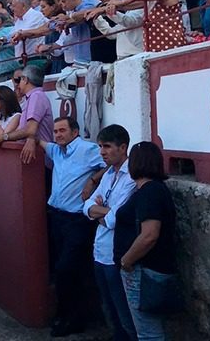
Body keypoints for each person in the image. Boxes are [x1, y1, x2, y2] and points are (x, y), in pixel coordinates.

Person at [42, 117, 106, 337]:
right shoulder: (56, 151)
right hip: (58, 217)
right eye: (55, 131)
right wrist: (32, 141)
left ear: (75, 132)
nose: (58, 135)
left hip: (77, 220)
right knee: (63, 269)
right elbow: (36, 139)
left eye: (62, 131)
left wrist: (92, 180)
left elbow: (111, 164)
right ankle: (67, 315)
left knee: (68, 269)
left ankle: (74, 318)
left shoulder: (87, 150)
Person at [115, 142, 177, 341]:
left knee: (148, 332)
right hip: (151, 268)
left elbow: (149, 235)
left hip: (144, 270)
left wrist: (126, 261)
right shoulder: (155, 190)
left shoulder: (149, 192)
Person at [83, 124, 138, 341]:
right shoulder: (108, 175)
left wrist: (98, 210)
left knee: (125, 314)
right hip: (100, 251)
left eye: (107, 146)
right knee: (110, 310)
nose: (102, 152)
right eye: (100, 147)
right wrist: (100, 211)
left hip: (116, 255)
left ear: (123, 147)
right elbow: (85, 206)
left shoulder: (131, 177)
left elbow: (115, 219)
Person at [0, 64, 52, 164]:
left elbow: (30, 130)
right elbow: (23, 129)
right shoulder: (32, 97)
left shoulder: (36, 96)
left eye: (20, 80)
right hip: (36, 156)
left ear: (25, 79)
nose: (17, 85)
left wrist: (3, 137)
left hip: (39, 158)